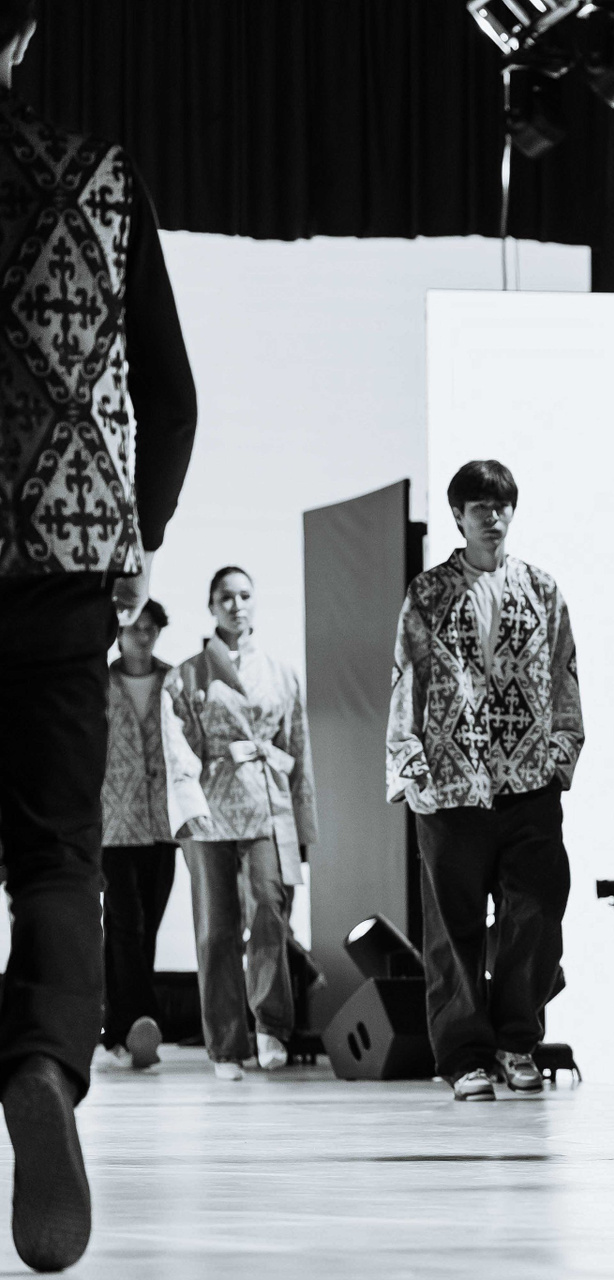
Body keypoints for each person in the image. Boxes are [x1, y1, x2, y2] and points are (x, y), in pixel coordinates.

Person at [0, 1, 197, 1265]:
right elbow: (169, 396)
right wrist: (140, 536)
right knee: (59, 856)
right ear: (21, 43)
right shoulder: (98, 175)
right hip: (61, 566)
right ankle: (40, 1061)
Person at [388, 460, 583, 1103]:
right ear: (458, 516)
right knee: (455, 926)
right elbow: (406, 676)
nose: (492, 517)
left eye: (500, 506)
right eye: (479, 507)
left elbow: (565, 672)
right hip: (451, 781)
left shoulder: (542, 589)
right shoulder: (429, 592)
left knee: (538, 909)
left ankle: (517, 1040)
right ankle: (464, 1056)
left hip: (529, 780)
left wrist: (562, 752)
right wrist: (409, 765)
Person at [162, 568, 317, 1082]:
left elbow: (297, 749)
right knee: (216, 928)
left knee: (270, 908)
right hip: (210, 807)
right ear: (211, 606)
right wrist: (189, 805)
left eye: (245, 595)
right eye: (225, 597)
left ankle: (271, 1023)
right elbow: (178, 748)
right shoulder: (186, 675)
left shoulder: (281, 673)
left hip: (266, 804)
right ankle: (226, 1044)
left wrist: (304, 824)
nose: (236, 605)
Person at [98, 599, 178, 1072]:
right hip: (113, 822)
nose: (143, 636)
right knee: (126, 923)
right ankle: (142, 1020)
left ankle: (118, 1029)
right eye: (134, 628)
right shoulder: (98, 682)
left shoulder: (175, 681)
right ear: (119, 633)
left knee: (143, 924)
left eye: (151, 628)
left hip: (164, 823)